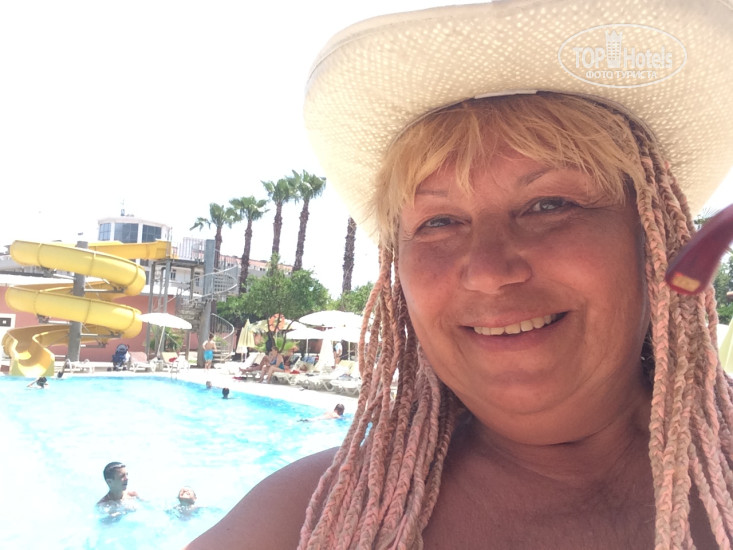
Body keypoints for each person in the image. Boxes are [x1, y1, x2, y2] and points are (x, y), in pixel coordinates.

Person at [186, 1, 733, 548]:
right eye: (439, 221)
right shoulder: (301, 524)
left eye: (550, 205)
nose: (489, 272)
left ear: (655, 242)